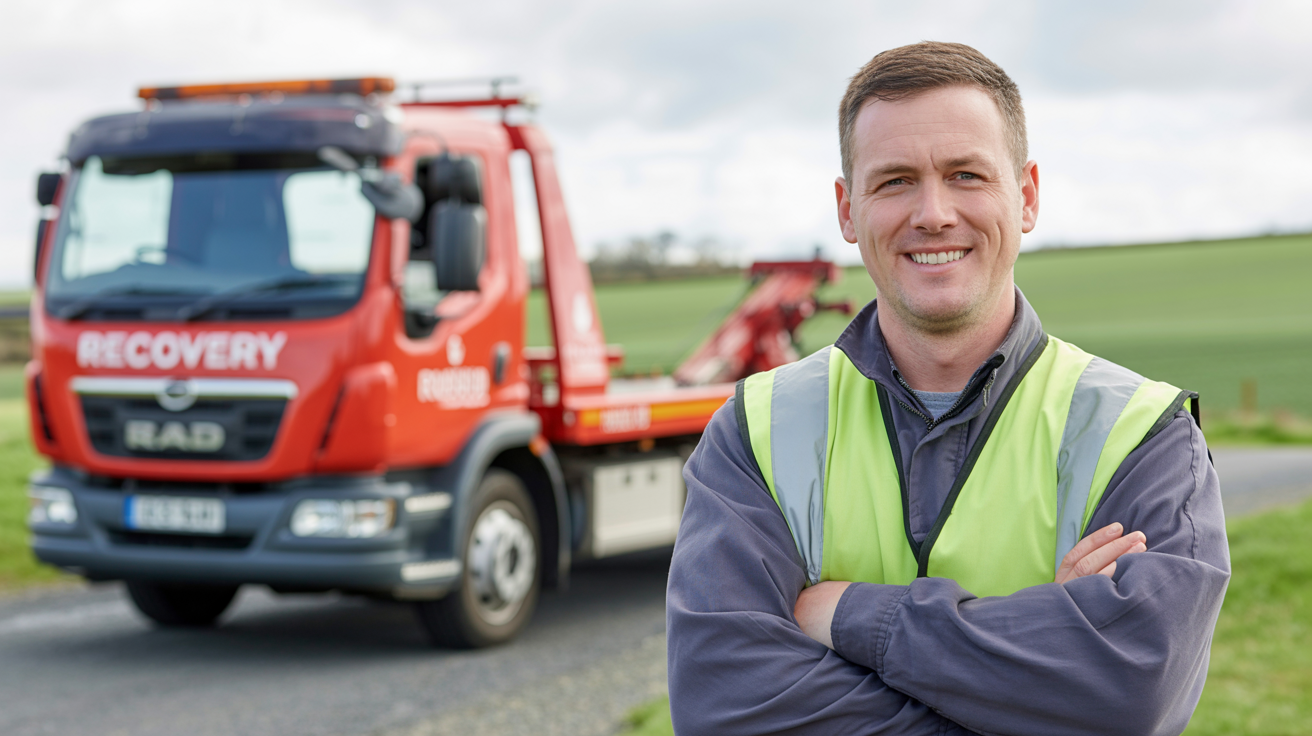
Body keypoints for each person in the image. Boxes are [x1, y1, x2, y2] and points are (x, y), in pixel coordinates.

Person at [666, 41, 1229, 735]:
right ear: (847, 210)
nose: (933, 213)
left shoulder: (1142, 433)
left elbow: (1136, 689)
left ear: (1025, 197)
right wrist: (1039, 672)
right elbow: (724, 705)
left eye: (965, 175)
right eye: (895, 180)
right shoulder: (757, 430)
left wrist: (850, 617)